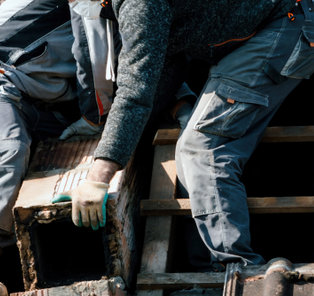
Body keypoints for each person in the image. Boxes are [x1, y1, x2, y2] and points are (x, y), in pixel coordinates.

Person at [59, 0, 314, 270]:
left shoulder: (139, 4)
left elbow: (135, 93)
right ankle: (208, 268)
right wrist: (178, 108)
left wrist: (98, 177)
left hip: (286, 24)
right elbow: (165, 65)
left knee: (202, 149)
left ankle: (238, 270)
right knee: (189, 145)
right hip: (273, 24)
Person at [0, 0, 116, 296]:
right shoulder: (91, 2)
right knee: (10, 147)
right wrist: (94, 117)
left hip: (39, 97)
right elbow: (94, 59)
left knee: (89, 145)